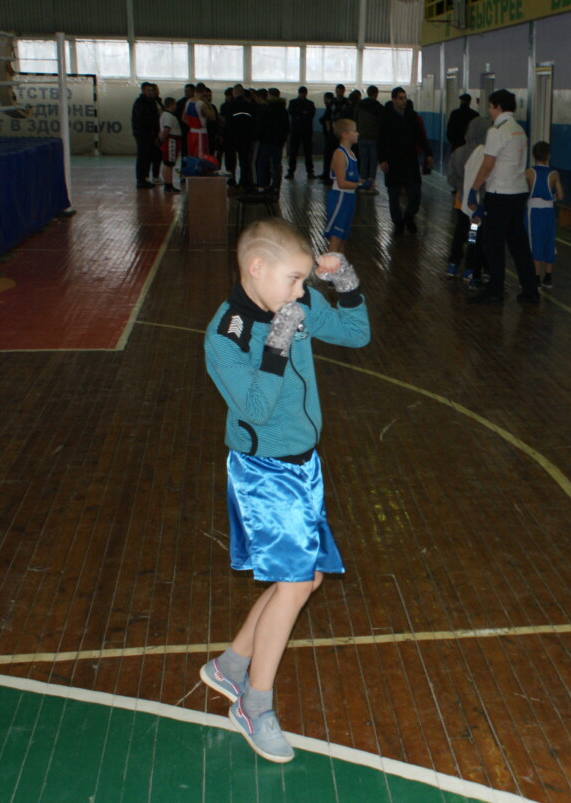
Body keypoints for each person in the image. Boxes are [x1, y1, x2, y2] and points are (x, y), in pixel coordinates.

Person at [202, 217, 370, 763]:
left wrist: (343, 280)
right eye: (294, 279)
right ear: (257, 268)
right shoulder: (226, 333)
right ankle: (254, 702)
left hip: (304, 466)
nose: (302, 292)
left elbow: (355, 333)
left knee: (306, 577)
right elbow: (255, 407)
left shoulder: (292, 304)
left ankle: (228, 666)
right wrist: (277, 341)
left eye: (305, 281)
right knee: (297, 583)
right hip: (263, 472)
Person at [466, 89, 540, 304]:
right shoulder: (519, 130)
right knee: (518, 243)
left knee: (493, 243)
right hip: (518, 194)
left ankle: (495, 290)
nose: (489, 111)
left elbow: (488, 164)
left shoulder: (497, 131)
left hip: (500, 194)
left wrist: (474, 188)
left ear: (498, 107)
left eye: (490, 107)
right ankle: (530, 289)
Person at [378, 87, 433, 231]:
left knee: (415, 192)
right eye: (401, 98)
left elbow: (420, 137)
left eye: (405, 98)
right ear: (394, 100)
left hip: (410, 160)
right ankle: (398, 222)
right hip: (392, 161)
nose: (404, 101)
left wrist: (428, 153)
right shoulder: (386, 117)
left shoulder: (412, 116)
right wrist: (382, 159)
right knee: (394, 195)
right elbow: (380, 140)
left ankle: (409, 215)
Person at [445, 116, 489, 280]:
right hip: (477, 205)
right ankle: (470, 267)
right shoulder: (486, 155)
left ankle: (453, 264)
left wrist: (462, 188)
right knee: (474, 235)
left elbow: (451, 178)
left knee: (460, 232)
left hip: (460, 202)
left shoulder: (458, 152)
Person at [526, 140, 563, 288]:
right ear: (548, 156)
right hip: (549, 210)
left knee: (534, 241)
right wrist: (551, 197)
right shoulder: (554, 174)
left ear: (533, 155)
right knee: (549, 240)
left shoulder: (529, 172)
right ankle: (548, 277)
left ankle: (535, 277)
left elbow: (524, 191)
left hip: (533, 210)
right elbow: (561, 195)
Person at [324, 119, 360, 254]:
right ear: (345, 134)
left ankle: (340, 270)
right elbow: (342, 183)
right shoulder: (339, 154)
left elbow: (353, 178)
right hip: (340, 197)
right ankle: (330, 271)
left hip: (349, 198)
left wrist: (364, 182)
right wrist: (359, 185)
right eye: (354, 130)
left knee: (343, 238)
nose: (357, 133)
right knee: (336, 237)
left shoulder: (352, 154)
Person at [254, 88, 290, 195]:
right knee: (277, 165)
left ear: (269, 95)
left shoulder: (266, 109)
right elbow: (287, 127)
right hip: (279, 143)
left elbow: (262, 125)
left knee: (262, 163)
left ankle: (262, 186)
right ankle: (275, 187)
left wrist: (259, 136)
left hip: (266, 141)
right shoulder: (283, 109)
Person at [355, 85, 385, 193]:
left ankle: (363, 184)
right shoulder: (378, 107)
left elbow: (355, 120)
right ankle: (371, 186)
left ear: (367, 93)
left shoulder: (360, 105)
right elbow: (382, 123)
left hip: (362, 137)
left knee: (363, 161)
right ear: (376, 93)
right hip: (374, 138)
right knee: (373, 162)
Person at [131, 82, 161, 189]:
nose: (150, 92)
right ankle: (140, 179)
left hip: (150, 134)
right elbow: (143, 120)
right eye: (148, 90)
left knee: (148, 157)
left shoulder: (152, 102)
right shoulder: (140, 103)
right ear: (143, 90)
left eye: (151, 90)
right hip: (143, 135)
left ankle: (145, 178)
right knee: (143, 157)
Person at [286, 86, 317, 180]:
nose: (302, 94)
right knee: (294, 152)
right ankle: (291, 171)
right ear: (299, 93)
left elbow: (309, 115)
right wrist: (303, 114)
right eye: (301, 93)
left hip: (303, 131)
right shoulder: (295, 103)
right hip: (298, 131)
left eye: (304, 93)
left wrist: (299, 115)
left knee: (307, 152)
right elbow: (293, 113)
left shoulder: (304, 103)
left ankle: (309, 172)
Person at [182, 83, 217, 158]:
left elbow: (183, 118)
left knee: (191, 155)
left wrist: (192, 124)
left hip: (191, 132)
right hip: (200, 133)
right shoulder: (202, 104)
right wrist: (208, 103)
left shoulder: (188, 102)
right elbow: (213, 117)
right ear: (204, 91)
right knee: (201, 156)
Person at [158, 97, 183, 194]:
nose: (176, 106)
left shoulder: (167, 115)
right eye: (175, 104)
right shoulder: (168, 116)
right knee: (168, 163)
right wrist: (161, 140)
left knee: (168, 163)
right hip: (171, 140)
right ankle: (168, 185)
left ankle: (168, 185)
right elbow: (166, 129)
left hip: (171, 140)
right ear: (171, 104)